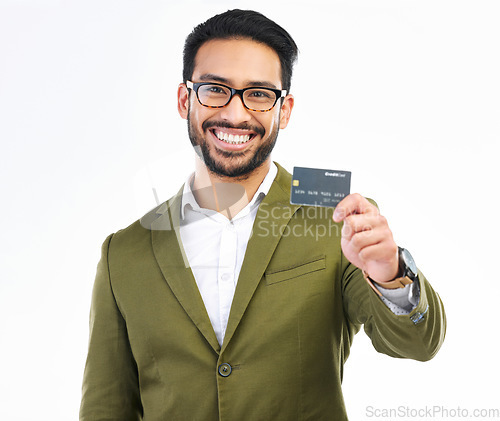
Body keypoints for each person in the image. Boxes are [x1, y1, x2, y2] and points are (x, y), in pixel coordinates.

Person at [79, 9, 446, 421]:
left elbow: (418, 344)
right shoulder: (122, 254)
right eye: (215, 89)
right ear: (186, 100)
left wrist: (389, 274)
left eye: (258, 94)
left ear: (284, 110)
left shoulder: (337, 219)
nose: (236, 115)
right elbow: (105, 409)